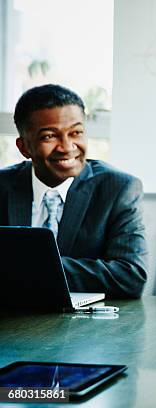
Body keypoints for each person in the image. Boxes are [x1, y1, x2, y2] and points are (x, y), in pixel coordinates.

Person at [0, 84, 147, 298]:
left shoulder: (118, 188)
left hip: (87, 326)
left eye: (76, 133)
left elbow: (130, 276)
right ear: (24, 148)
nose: (67, 147)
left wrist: (31, 267)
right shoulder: (3, 186)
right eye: (50, 136)